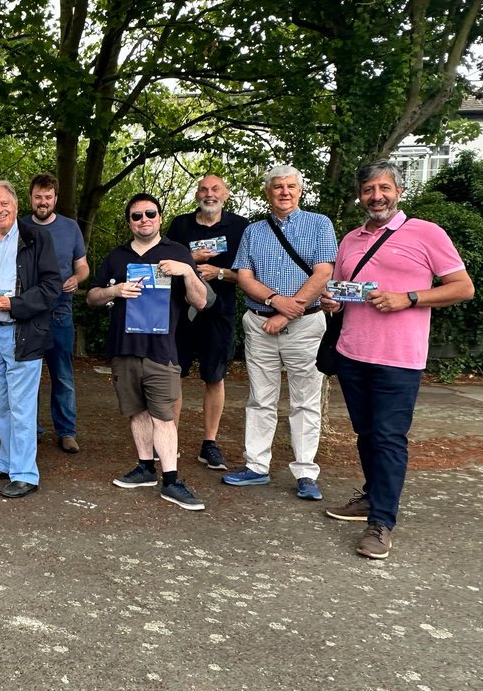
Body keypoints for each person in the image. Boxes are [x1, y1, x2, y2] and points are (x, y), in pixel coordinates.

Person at [321, 161, 473, 560]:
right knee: (367, 433)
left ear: (399, 191)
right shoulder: (351, 239)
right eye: (369, 189)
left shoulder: (426, 233)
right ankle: (372, 497)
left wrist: (408, 297)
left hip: (399, 358)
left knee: (389, 437)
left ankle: (382, 522)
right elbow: (343, 290)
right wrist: (332, 300)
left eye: (384, 188)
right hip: (353, 352)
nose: (377, 196)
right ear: (360, 195)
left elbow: (462, 288)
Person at [88, 193, 209, 510]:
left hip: (161, 348)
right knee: (136, 411)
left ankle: (171, 480)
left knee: (164, 416)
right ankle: (145, 468)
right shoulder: (117, 256)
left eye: (150, 214)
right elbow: (92, 297)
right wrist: (114, 290)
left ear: (159, 216)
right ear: (129, 221)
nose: (144, 220)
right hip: (124, 348)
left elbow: (200, 301)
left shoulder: (176, 253)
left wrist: (186, 271)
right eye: (136, 215)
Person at [223, 165, 337, 499]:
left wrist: (286, 313)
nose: (284, 192)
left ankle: (305, 473)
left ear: (300, 190)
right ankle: (256, 466)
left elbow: (324, 273)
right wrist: (274, 301)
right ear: (267, 192)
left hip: (305, 324)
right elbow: (244, 276)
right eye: (277, 187)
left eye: (290, 186)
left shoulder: (319, 224)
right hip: (260, 324)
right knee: (260, 398)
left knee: (305, 400)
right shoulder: (254, 231)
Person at [0, 180, 61, 498]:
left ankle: (25, 473)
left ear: (16, 205)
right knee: (0, 406)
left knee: (21, 407)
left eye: (4, 203)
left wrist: (15, 304)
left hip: (23, 334)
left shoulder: (36, 238)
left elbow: (52, 287)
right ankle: (8, 463)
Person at [164, 174, 249, 471]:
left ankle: (209, 444)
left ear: (226, 194)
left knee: (214, 377)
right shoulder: (180, 225)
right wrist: (189, 258)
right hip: (182, 312)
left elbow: (249, 275)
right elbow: (163, 262)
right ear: (197, 194)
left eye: (215, 189)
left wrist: (221, 273)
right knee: (175, 374)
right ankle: (168, 441)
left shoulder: (240, 227)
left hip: (219, 312)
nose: (209, 194)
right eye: (203, 189)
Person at [25, 173, 89, 454]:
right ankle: (32, 430)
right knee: (29, 374)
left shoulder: (70, 227)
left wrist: (78, 278)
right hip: (27, 309)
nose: (43, 202)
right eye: (38, 197)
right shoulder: (20, 226)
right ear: (30, 198)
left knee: (62, 373)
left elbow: (83, 266)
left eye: (47, 197)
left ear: (55, 198)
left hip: (60, 308)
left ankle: (66, 431)